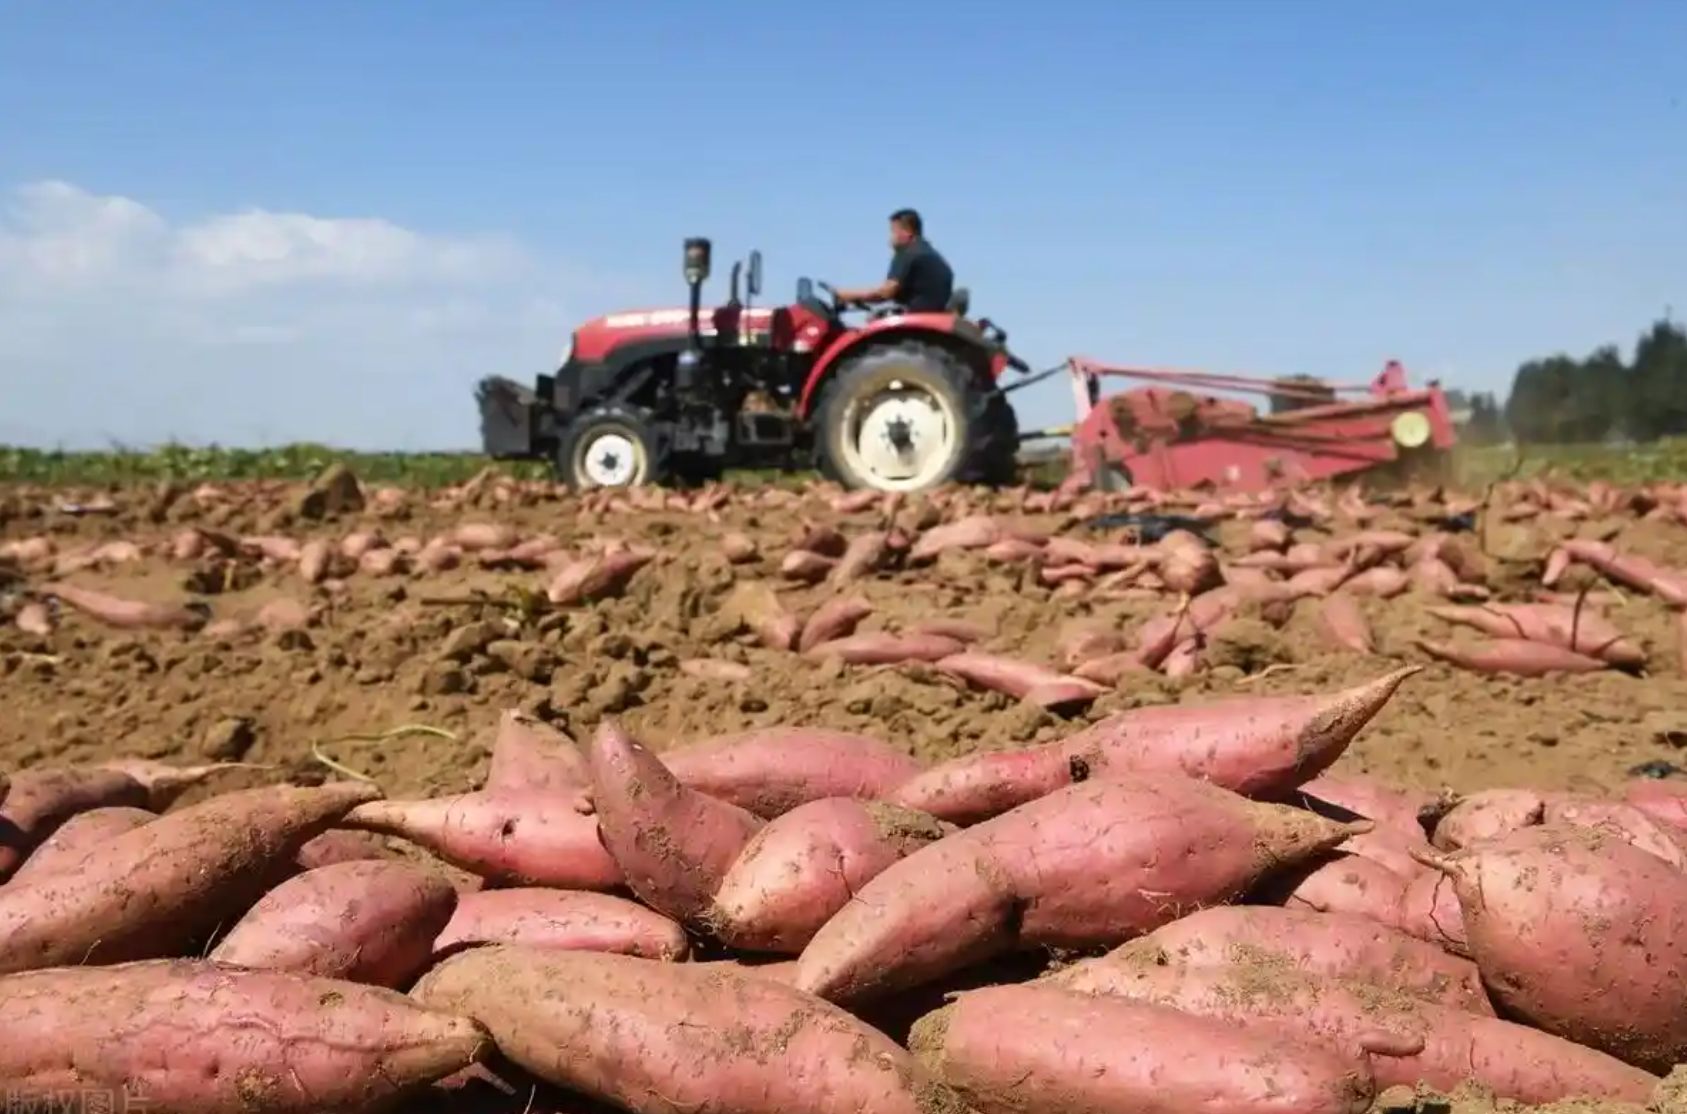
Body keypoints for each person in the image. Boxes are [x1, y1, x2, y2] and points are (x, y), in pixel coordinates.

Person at [830, 208, 955, 313]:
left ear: (907, 232)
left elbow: (886, 292)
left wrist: (845, 294)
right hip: (930, 314)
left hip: (914, 317)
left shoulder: (908, 253)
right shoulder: (928, 252)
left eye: (893, 232)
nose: (890, 238)